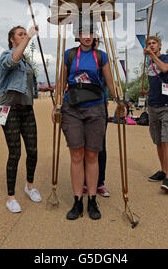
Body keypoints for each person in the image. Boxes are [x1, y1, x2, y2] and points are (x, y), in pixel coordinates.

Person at [52, 19, 119, 220]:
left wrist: (121, 101)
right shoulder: (69, 55)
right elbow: (61, 82)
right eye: (83, 32)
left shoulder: (101, 56)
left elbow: (110, 83)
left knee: (92, 156)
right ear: (78, 34)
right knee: (76, 156)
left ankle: (92, 199)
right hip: (71, 109)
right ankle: (77, 201)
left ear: (94, 34)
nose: (87, 36)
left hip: (96, 109)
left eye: (90, 32)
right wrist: (56, 105)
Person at [0, 25, 42, 213]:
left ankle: (29, 186)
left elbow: (29, 84)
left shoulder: (27, 61)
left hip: (27, 109)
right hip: (9, 110)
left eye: (25, 33)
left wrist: (41, 90)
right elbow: (12, 61)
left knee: (33, 151)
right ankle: (11, 197)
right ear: (12, 39)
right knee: (15, 153)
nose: (24, 36)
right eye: (20, 34)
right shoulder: (6, 55)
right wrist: (29, 37)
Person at [140, 35, 168, 194]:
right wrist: (147, 92)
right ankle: (162, 170)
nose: (151, 45)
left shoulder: (166, 58)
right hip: (153, 106)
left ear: (160, 46)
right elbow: (157, 82)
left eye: (154, 43)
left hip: (167, 106)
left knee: (166, 141)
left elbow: (165, 70)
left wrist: (152, 55)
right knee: (158, 142)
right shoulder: (149, 63)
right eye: (149, 44)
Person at [83, 36, 110, 198]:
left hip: (100, 105)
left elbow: (108, 82)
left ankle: (100, 182)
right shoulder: (82, 59)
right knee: (84, 146)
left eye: (97, 41)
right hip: (82, 105)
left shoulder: (102, 58)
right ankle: (86, 181)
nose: (95, 43)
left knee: (100, 146)